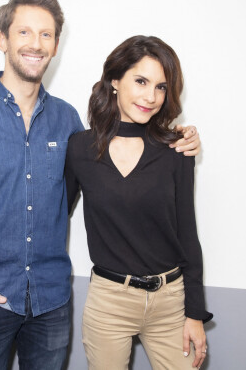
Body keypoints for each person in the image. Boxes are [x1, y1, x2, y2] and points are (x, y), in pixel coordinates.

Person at [0, 0, 202, 370]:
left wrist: (179, 136)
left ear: (56, 45)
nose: (36, 44)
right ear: (3, 39)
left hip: (51, 303)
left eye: (46, 35)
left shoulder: (68, 123)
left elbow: (81, 193)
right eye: (24, 32)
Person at [65, 35, 213, 370]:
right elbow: (54, 215)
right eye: (141, 81)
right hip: (109, 302)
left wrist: (195, 314)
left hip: (171, 302)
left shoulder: (177, 150)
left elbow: (188, 234)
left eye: (161, 87)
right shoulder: (80, 149)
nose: (151, 96)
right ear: (115, 80)